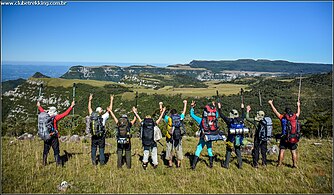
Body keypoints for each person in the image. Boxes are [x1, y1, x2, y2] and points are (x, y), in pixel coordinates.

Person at [37, 100, 75, 166]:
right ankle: (58, 164)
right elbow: (65, 113)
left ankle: (44, 162)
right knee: (56, 150)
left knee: (46, 150)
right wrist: (71, 106)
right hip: (54, 136)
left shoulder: (45, 116)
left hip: (46, 135)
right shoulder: (55, 118)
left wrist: (39, 105)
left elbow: (41, 110)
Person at [268, 99, 300, 168]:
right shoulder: (295, 117)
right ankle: (295, 165)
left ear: (285, 112)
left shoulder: (283, 118)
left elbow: (275, 111)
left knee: (282, 151)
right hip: (293, 137)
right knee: (293, 152)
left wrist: (271, 104)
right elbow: (298, 112)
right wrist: (298, 105)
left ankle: (279, 164)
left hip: (284, 137)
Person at [108, 95, 136, 169]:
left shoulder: (119, 123)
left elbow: (114, 117)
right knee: (128, 152)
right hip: (127, 140)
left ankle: (119, 166)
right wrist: (135, 113)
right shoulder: (128, 124)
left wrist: (110, 111)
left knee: (120, 151)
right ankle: (128, 166)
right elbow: (134, 120)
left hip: (119, 139)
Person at [190, 100, 219, 169]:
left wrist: (192, 107)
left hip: (203, 136)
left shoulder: (201, 120)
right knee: (209, 149)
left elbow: (192, 115)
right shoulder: (214, 118)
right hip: (210, 136)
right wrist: (214, 107)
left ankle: (193, 166)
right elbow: (217, 114)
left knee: (199, 148)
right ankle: (211, 165)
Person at [160, 100, 187, 168]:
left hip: (170, 136)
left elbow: (162, 114)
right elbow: (184, 111)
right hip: (178, 136)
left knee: (169, 149)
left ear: (171, 114)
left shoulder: (169, 118)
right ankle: (178, 164)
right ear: (176, 113)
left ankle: (170, 164)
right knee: (178, 149)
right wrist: (185, 104)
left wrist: (161, 105)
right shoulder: (180, 117)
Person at [218, 102, 245, 169]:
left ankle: (226, 164)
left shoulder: (230, 120)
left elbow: (222, 115)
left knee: (228, 150)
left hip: (231, 138)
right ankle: (240, 165)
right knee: (238, 151)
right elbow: (243, 115)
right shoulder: (241, 119)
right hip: (238, 138)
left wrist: (219, 108)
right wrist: (242, 108)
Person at [87, 94, 112, 166]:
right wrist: (111, 100)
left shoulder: (92, 115)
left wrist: (90, 100)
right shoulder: (103, 117)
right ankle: (102, 163)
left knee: (94, 149)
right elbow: (110, 110)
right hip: (101, 136)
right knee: (101, 149)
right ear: (100, 111)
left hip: (94, 135)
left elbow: (89, 107)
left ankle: (94, 162)